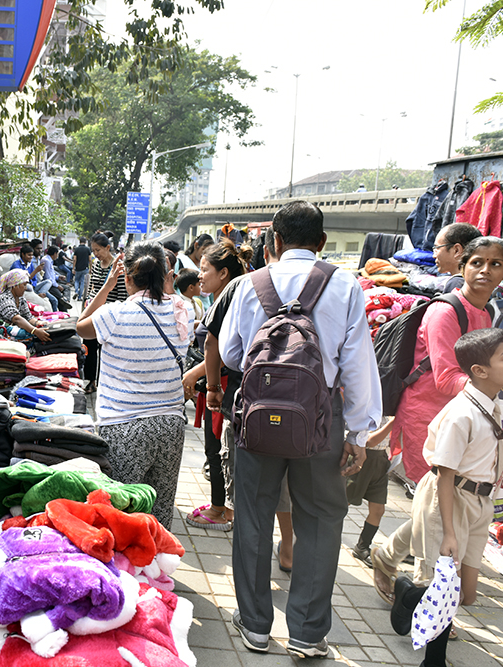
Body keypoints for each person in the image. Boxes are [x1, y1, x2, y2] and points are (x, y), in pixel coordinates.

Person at [218, 201, 380, 657]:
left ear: (273, 241)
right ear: (322, 242)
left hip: (257, 417)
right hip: (320, 418)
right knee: (321, 521)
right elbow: (357, 366)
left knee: (253, 514)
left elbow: (231, 355)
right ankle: (307, 634)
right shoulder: (344, 284)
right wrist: (358, 435)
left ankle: (254, 625)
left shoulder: (249, 284)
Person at [372, 237, 503, 602]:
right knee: (438, 509)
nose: (485, 271)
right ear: (462, 265)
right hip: (431, 418)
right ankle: (429, 593)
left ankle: (387, 555)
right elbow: (445, 378)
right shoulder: (445, 311)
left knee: (441, 508)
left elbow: (484, 372)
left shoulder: (488, 313)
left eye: (495, 264)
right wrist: (498, 383)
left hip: (468, 417)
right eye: (477, 262)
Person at [390, 328, 503, 667]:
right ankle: (433, 661)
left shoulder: (490, 403)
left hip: (479, 505)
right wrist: (449, 531)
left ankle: (408, 593)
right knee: (445, 593)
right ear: (480, 371)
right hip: (449, 500)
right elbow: (445, 476)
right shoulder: (462, 414)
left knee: (466, 595)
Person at [76, 242, 193, 530]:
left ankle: (131, 573)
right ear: (166, 274)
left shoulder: (114, 314)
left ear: (128, 277)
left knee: (122, 511)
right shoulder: (183, 310)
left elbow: (81, 326)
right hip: (170, 424)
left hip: (123, 426)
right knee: (160, 509)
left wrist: (107, 285)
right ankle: (158, 568)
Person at [181, 239, 249, 532]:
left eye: (205, 269)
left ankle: (221, 509)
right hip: (221, 383)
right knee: (216, 448)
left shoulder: (230, 298)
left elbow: (217, 347)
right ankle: (220, 505)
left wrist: (201, 379)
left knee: (217, 448)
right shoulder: (227, 297)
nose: (200, 276)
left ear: (223, 273)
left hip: (223, 385)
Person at [82, 233, 128, 390]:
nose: (96, 254)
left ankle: (103, 383)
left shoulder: (119, 266)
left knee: (106, 351)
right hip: (94, 313)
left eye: (98, 250)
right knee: (89, 346)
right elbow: (93, 288)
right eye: (93, 250)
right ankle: (89, 381)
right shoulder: (95, 264)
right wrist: (89, 303)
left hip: (110, 315)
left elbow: (122, 295)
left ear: (108, 248)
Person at [348, 416, 395, 566]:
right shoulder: (370, 410)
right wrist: (395, 423)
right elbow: (369, 441)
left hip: (380, 461)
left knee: (378, 509)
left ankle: (362, 546)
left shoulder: (391, 412)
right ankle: (323, 539)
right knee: (343, 504)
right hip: (361, 458)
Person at [0, 269, 52, 342]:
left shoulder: (20, 299)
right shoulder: (4, 299)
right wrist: (35, 331)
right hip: (0, 333)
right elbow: (16, 319)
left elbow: (28, 317)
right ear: (15, 285)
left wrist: (38, 323)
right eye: (24, 285)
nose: (26, 288)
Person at [431, 222, 482, 293]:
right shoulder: (483, 281)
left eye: (437, 248)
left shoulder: (457, 284)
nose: (434, 256)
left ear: (457, 250)